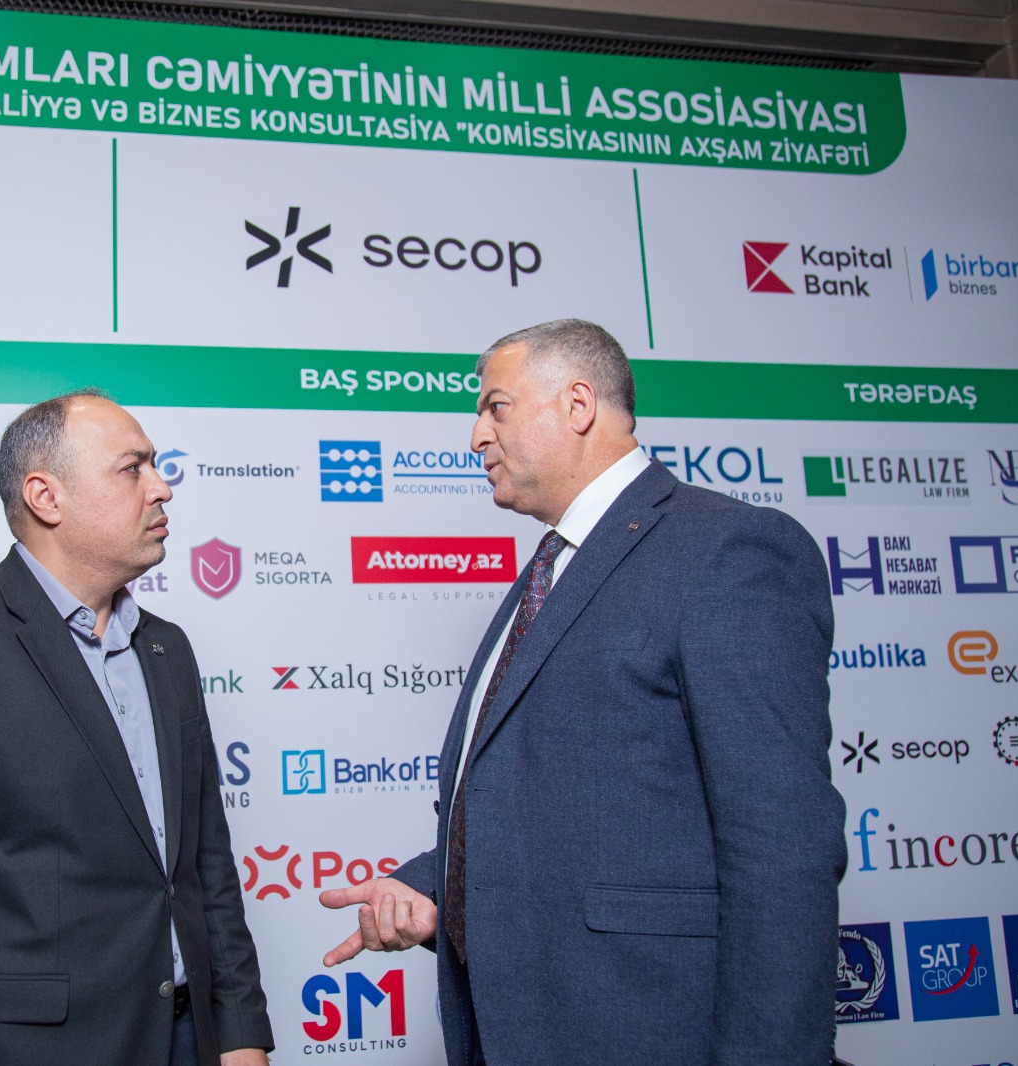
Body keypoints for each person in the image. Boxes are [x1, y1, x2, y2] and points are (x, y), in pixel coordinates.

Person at [319, 320, 846, 1065]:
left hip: (647, 1031)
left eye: (495, 407)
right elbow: (565, 804)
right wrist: (429, 885)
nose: (476, 436)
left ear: (577, 404)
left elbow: (781, 847)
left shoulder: (727, 551)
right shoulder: (554, 566)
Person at [0, 389, 274, 1066]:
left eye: (155, 465)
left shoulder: (166, 648)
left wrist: (240, 1033)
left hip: (189, 1038)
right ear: (46, 498)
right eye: (132, 468)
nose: (162, 487)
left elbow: (206, 870)